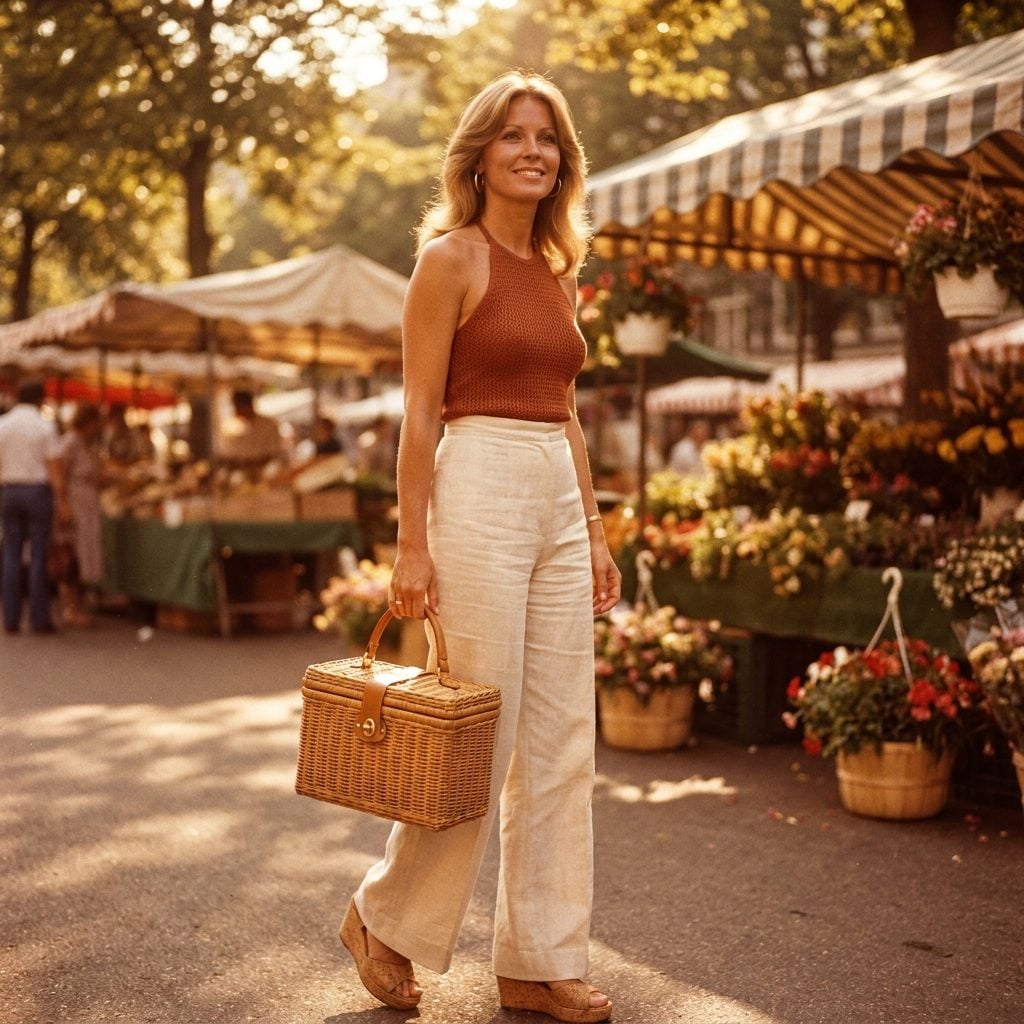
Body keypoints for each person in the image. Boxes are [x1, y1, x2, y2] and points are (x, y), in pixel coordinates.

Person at [337, 71, 620, 1023]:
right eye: (514, 136)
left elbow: (568, 412)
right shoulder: (450, 261)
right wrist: (410, 544)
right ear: (481, 155)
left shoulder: (558, 267)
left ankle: (539, 960)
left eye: (548, 138)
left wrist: (594, 526)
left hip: (551, 485)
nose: (533, 150)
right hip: (479, 483)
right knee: (477, 732)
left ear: (563, 159)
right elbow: (420, 412)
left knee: (562, 742)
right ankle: (387, 918)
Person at [0, 379, 68, 634]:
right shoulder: (45, 426)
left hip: (10, 490)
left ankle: (10, 618)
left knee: (10, 554)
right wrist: (62, 501)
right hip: (37, 491)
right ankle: (39, 619)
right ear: (41, 399)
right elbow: (54, 468)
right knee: (39, 554)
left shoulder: (3, 424)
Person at [56, 404, 106, 627]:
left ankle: (76, 608)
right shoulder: (71, 442)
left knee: (81, 556)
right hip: (76, 505)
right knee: (72, 557)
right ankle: (70, 609)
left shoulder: (84, 443)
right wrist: (63, 506)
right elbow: (61, 475)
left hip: (85, 504)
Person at [217, 388, 284, 470]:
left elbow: (273, 453)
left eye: (239, 408)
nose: (237, 412)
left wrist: (253, 463)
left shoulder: (268, 425)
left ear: (248, 406)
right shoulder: (234, 426)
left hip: (265, 471)